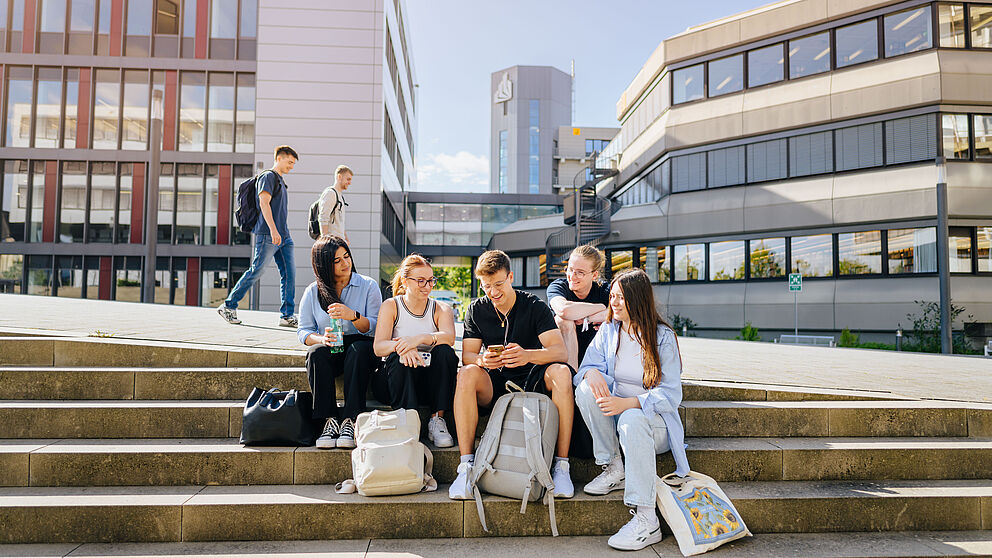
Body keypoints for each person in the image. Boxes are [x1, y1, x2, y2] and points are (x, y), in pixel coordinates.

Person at [574, 268, 689, 551]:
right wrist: (591, 374)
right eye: (612, 296)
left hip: (654, 425)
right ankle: (614, 466)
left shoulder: (662, 337)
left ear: (638, 300)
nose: (614, 303)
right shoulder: (609, 332)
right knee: (586, 389)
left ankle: (647, 519)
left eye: (621, 298)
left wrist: (628, 404)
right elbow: (584, 370)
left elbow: (671, 394)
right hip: (618, 419)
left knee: (633, 419)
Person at [447, 249, 575, 500]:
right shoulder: (476, 309)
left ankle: (561, 466)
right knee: (466, 374)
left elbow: (560, 352)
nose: (493, 292)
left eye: (498, 284)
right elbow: (468, 356)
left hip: (534, 380)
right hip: (495, 382)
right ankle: (467, 467)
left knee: (561, 373)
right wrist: (483, 360)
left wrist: (527, 355)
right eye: (486, 286)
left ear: (510, 277)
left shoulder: (535, 306)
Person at [297, 235, 382, 449]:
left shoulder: (368, 285)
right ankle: (329, 420)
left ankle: (351, 420)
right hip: (331, 345)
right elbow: (303, 331)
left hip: (362, 347)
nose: (346, 263)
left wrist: (352, 315)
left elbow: (375, 326)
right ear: (324, 265)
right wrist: (321, 339)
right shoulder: (313, 291)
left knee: (357, 349)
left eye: (347, 256)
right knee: (315, 353)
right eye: (337, 261)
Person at [372, 255, 458, 448]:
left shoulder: (440, 308)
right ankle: (408, 422)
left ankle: (437, 420)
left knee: (445, 351)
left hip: (427, 383)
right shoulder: (392, 305)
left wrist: (418, 339)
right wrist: (402, 348)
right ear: (405, 281)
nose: (427, 286)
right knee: (396, 357)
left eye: (430, 280)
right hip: (394, 381)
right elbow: (379, 347)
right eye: (420, 281)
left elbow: (449, 337)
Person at [218, 145, 299, 327]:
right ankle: (228, 306)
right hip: (268, 233)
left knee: (289, 274)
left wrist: (280, 232)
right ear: (279, 158)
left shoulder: (281, 181)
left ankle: (286, 315)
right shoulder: (268, 176)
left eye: (293, 164)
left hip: (283, 236)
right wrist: (273, 230)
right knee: (257, 270)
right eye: (290, 162)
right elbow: (264, 202)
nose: (291, 166)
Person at [547, 245, 609, 371]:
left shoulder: (604, 290)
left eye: (580, 272)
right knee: (563, 320)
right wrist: (601, 307)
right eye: (570, 270)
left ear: (594, 275)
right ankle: (572, 378)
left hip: (598, 361)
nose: (572, 276)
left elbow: (626, 311)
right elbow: (564, 310)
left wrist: (589, 318)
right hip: (562, 361)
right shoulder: (559, 286)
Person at [317, 165, 352, 242]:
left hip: (339, 242)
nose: (350, 183)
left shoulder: (340, 196)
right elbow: (323, 218)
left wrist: (346, 239)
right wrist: (325, 242)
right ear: (339, 177)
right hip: (331, 244)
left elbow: (340, 223)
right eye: (348, 179)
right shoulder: (330, 193)